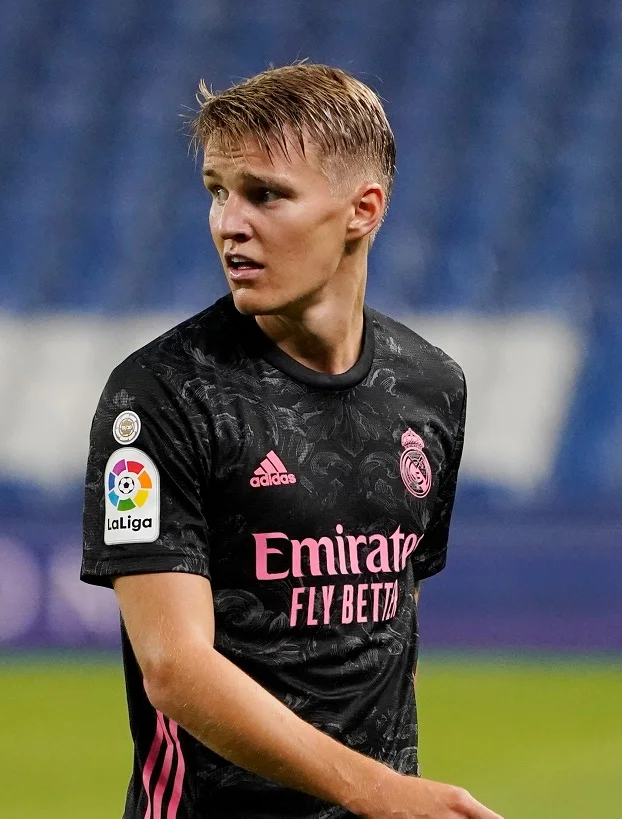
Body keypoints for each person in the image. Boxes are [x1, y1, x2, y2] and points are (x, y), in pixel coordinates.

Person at [80, 63, 499, 819]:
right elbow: (174, 668)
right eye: (218, 191)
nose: (229, 223)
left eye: (265, 195)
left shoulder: (430, 386)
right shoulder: (161, 395)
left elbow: (391, 629)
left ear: (362, 210)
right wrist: (382, 792)